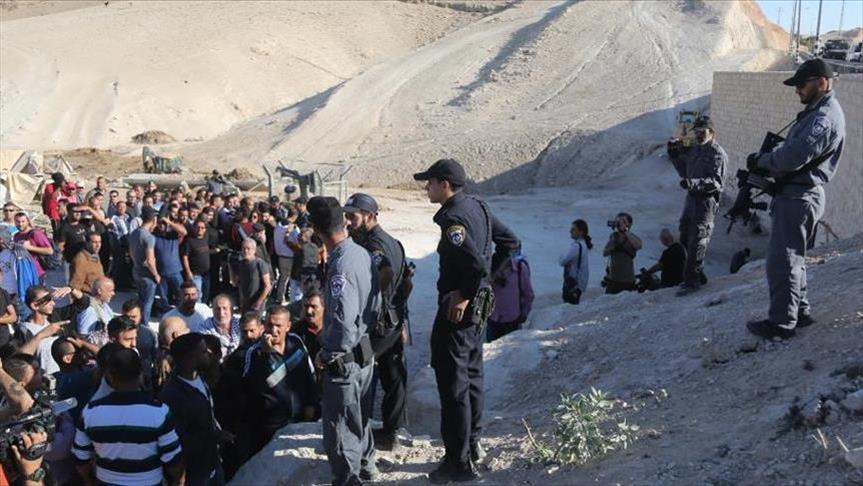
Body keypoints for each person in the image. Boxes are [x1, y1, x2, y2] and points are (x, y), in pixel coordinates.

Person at [413, 159, 520, 482]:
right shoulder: (479, 206)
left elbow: (475, 265)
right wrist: (483, 287)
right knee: (472, 376)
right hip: (477, 311)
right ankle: (472, 444)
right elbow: (511, 243)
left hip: (457, 313)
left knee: (453, 386)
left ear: (445, 184)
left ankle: (457, 464)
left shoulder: (454, 219)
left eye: (430, 182)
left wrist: (466, 292)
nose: (426, 187)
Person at [746, 59, 846, 339]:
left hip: (799, 197)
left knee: (782, 261)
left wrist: (762, 161)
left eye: (802, 84)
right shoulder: (816, 113)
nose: (797, 89)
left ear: (822, 82)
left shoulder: (823, 118)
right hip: (797, 195)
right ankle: (799, 312)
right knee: (794, 258)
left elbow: (792, 157)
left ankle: (781, 324)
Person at [307, 196, 379, 485]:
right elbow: (376, 302)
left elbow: (343, 322)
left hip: (345, 360)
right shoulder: (360, 253)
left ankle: (350, 479)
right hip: (364, 351)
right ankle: (367, 466)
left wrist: (328, 351)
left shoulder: (340, 265)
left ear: (316, 230)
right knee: (359, 417)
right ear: (344, 222)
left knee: (340, 429)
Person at [343, 193, 413, 451]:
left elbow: (387, 273)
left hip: (379, 324)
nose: (348, 222)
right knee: (393, 376)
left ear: (370, 216)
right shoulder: (394, 242)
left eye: (353, 216)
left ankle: (358, 435)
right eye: (346, 216)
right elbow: (407, 284)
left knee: (358, 370)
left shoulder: (375, 246)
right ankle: (391, 431)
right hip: (393, 321)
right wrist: (401, 318)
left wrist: (368, 304)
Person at [73, 347, 184, 486]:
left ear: (110, 376)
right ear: (140, 374)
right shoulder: (159, 412)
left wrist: (89, 482)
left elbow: (81, 458)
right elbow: (174, 462)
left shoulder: (90, 412)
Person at [244, 306, 318, 457]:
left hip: (301, 418)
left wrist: (311, 404)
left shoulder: (296, 342)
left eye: (279, 326)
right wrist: (267, 355)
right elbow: (250, 388)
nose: (274, 330)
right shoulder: (254, 352)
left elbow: (309, 375)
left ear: (288, 326)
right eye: (270, 325)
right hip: (271, 426)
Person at [668, 115, 727, 294]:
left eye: (703, 132)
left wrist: (694, 183)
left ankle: (692, 281)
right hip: (691, 198)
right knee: (685, 235)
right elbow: (684, 172)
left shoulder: (717, 154)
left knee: (698, 238)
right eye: (697, 132)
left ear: (712, 132)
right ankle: (697, 273)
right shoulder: (695, 150)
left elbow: (717, 182)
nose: (699, 135)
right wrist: (674, 156)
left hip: (706, 201)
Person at [159, 333, 225, 486]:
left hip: (212, 464)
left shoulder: (200, 378)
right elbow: (178, 439)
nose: (208, 354)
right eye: (203, 351)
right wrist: (213, 437)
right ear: (190, 358)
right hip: (193, 472)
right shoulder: (172, 395)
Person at [215, 312, 264, 480]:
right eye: (245, 332)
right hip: (240, 418)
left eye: (252, 331)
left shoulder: (264, 351)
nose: (248, 336)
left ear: (261, 328)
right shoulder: (236, 356)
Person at [19, 286, 90, 375]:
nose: (53, 303)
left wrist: (71, 289)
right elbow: (20, 359)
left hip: (66, 375)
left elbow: (84, 303)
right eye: (48, 300)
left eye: (52, 299)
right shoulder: (24, 330)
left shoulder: (55, 316)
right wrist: (41, 335)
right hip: (45, 378)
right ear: (34, 305)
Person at [486, 250, 534, 342]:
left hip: (512, 321)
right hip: (493, 319)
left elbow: (528, 294)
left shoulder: (520, 267)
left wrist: (524, 314)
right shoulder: (491, 265)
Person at [153, 215, 188, 313]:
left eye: (164, 224)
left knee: (181, 293)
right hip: (161, 273)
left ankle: (182, 312)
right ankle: (167, 314)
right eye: (160, 223)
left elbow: (184, 232)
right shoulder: (153, 236)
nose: (162, 225)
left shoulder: (173, 235)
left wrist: (169, 222)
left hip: (175, 271)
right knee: (163, 297)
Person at [602, 213, 642, 295]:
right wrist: (612, 246)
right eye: (618, 221)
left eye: (623, 221)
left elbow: (638, 245)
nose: (620, 223)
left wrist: (625, 230)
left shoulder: (632, 237)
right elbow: (604, 253)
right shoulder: (614, 236)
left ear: (629, 224)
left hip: (627, 280)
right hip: (613, 280)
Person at [13, 212, 55, 280]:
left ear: (28, 221)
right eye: (18, 222)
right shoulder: (16, 236)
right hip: (23, 272)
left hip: (37, 272)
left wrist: (30, 247)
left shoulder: (35, 233)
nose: (20, 224)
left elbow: (49, 251)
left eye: (23, 221)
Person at [559, 219, 592, 305]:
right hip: (578, 283)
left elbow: (562, 261)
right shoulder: (583, 244)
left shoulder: (576, 246)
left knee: (569, 306)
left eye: (573, 229)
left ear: (581, 232)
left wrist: (562, 256)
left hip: (573, 283)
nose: (570, 231)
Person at [198, 293, 241, 359]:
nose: (221, 313)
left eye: (225, 308)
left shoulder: (241, 324)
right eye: (217, 309)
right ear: (212, 310)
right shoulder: (204, 327)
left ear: (231, 310)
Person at [236, 238, 272, 314]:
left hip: (256, 304)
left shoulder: (260, 264)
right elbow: (238, 283)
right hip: (245, 303)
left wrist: (259, 302)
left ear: (254, 250)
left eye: (248, 249)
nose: (245, 251)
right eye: (243, 248)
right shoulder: (241, 264)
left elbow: (268, 286)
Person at [293, 289, 325, 372]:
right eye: (306, 306)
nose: (309, 311)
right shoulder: (295, 331)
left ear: (324, 308)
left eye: (313, 307)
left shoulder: (334, 331)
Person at [181, 218, 213, 301]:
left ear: (205, 229)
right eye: (198, 227)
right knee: (197, 297)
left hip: (206, 274)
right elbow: (185, 257)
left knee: (206, 294)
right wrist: (188, 272)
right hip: (195, 275)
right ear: (194, 228)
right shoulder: (189, 241)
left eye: (202, 228)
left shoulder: (206, 238)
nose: (200, 229)